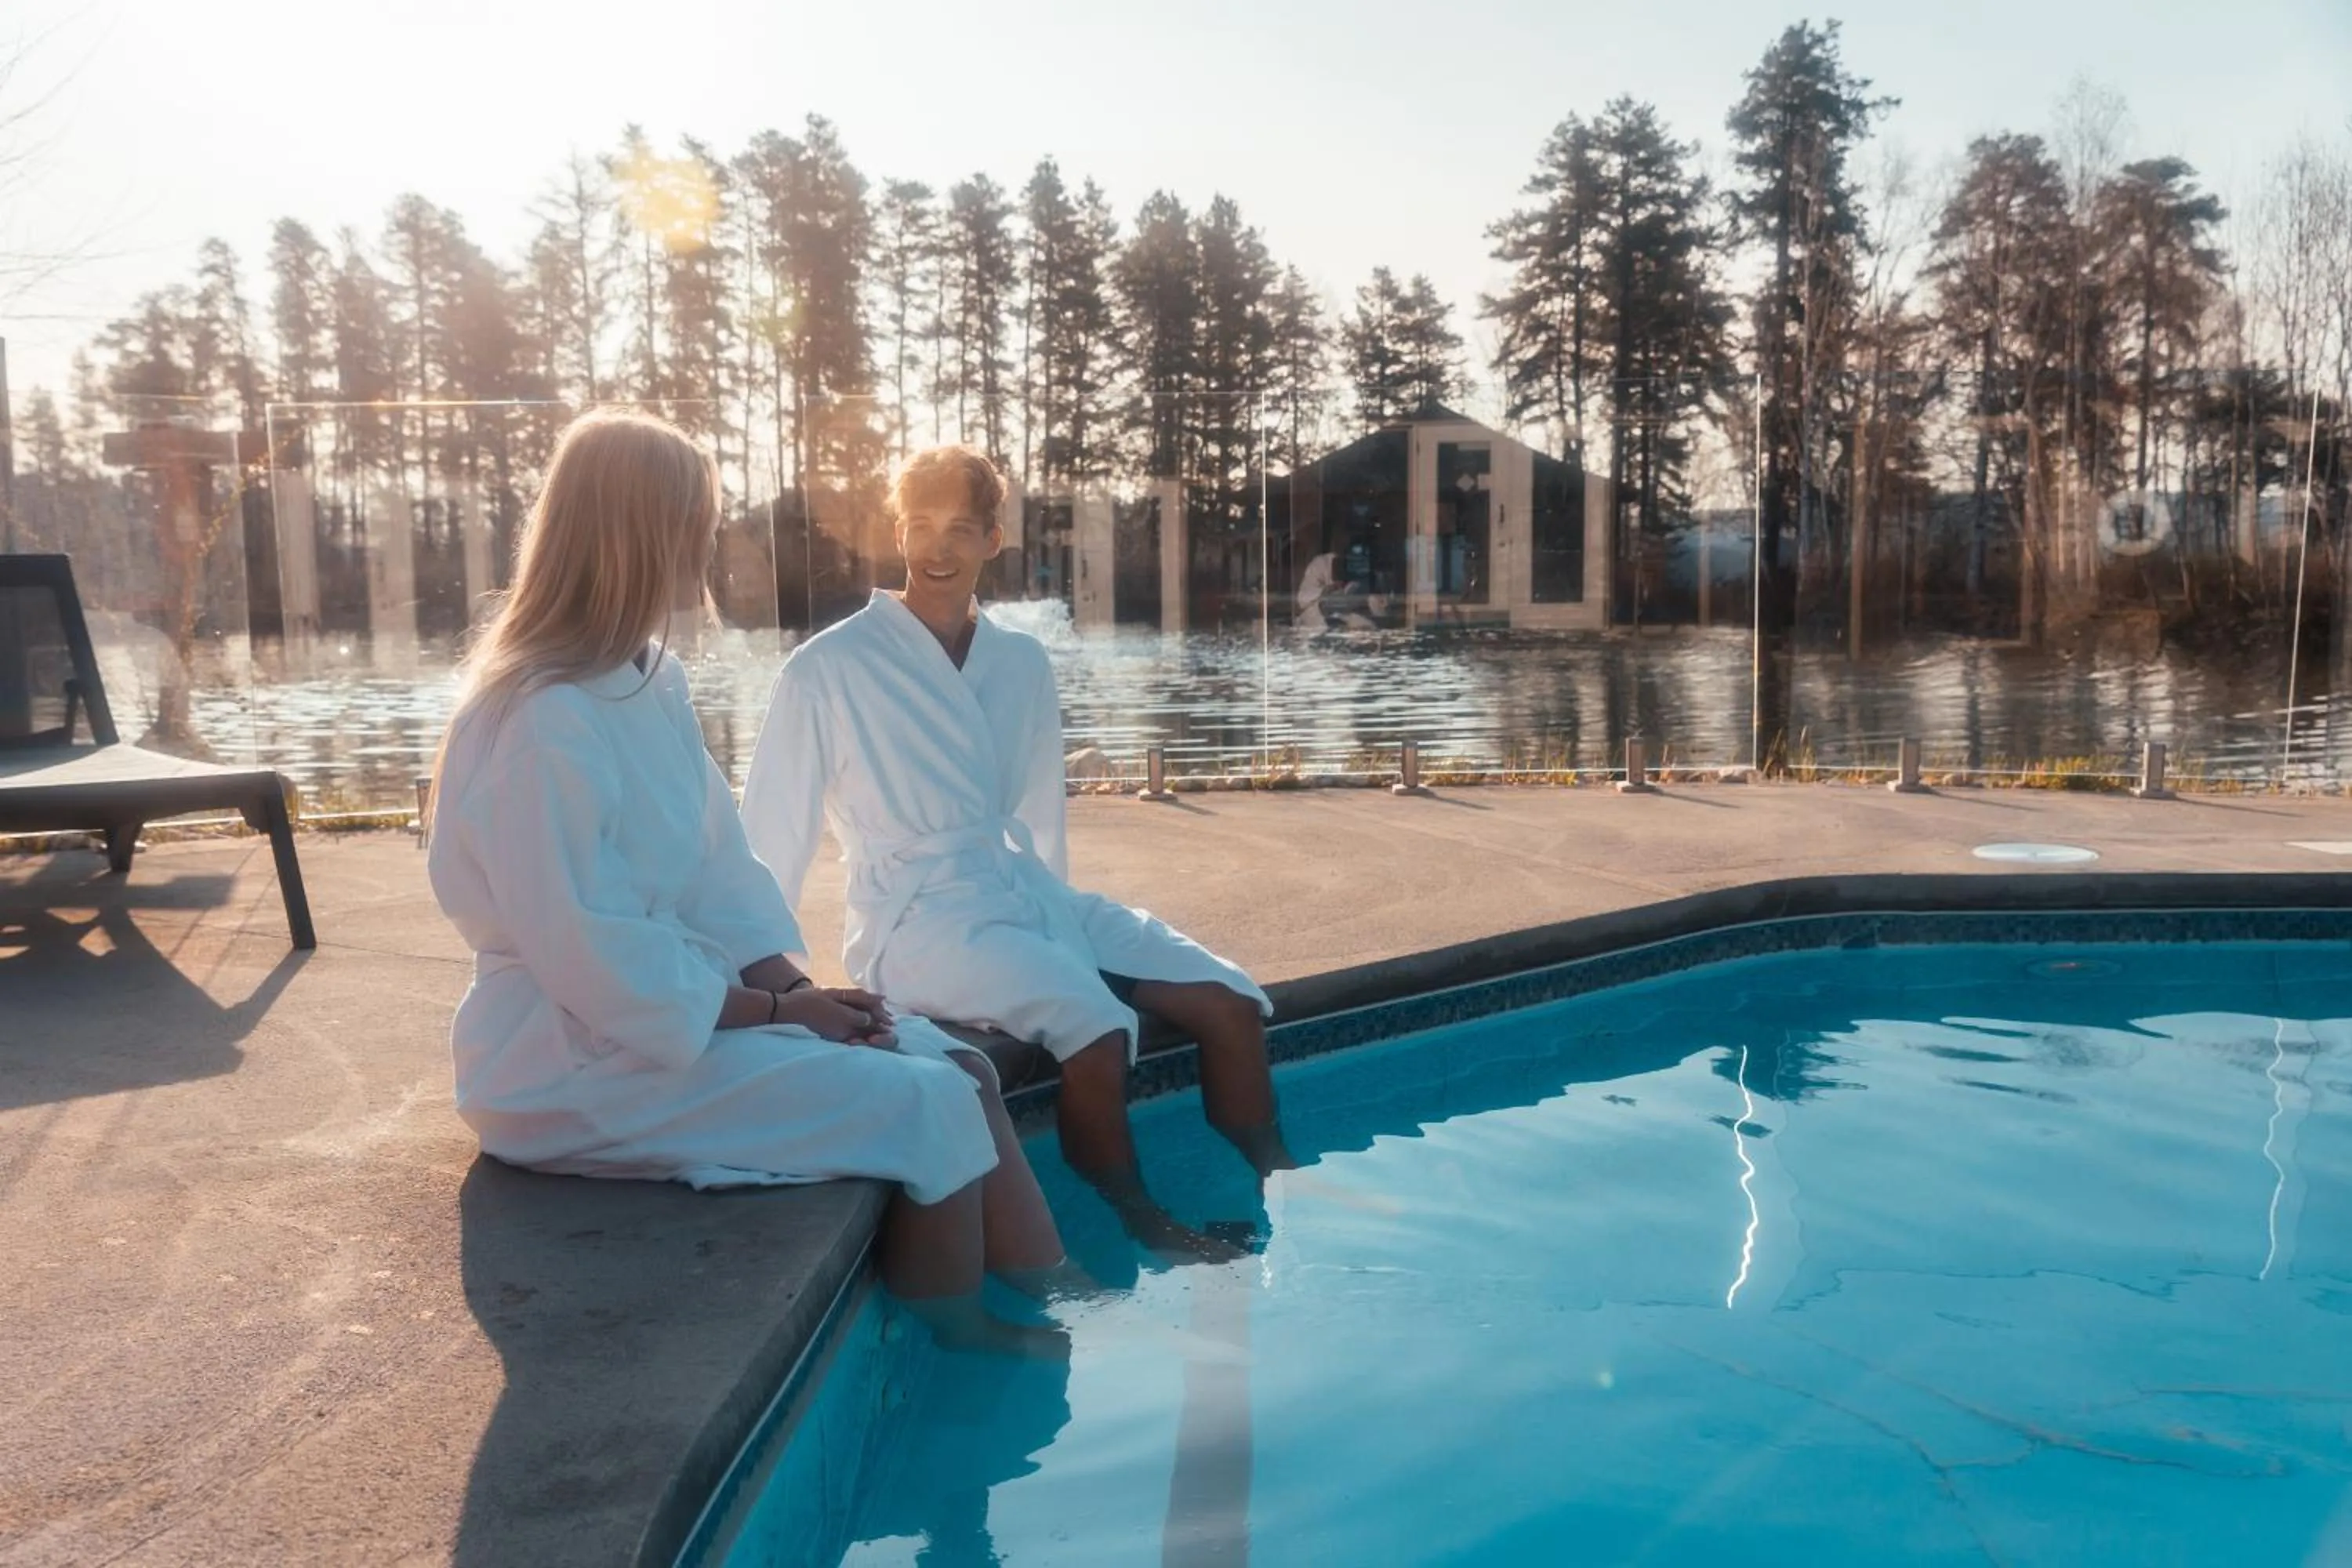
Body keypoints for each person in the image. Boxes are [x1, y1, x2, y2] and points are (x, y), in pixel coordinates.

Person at [425, 411, 1065, 1355]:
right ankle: (961, 1349)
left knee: (959, 1065)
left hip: (680, 1017)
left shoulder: (650, 678)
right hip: (567, 1060)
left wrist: (797, 990)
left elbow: (721, 867)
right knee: (923, 1105)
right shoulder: (539, 718)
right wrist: (772, 1018)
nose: (709, 542)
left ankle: (1063, 1298)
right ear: (638, 532)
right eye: (697, 519)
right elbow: (583, 949)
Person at [742, 445, 1293, 1258]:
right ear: (897, 532)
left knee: (1231, 1004)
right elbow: (770, 830)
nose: (937, 548)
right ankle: (1140, 1222)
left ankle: (1280, 1182)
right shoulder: (829, 666)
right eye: (920, 526)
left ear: (993, 538)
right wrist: (769, 987)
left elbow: (1038, 813)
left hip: (1022, 892)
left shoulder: (1019, 660)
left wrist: (1058, 936)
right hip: (918, 919)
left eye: (959, 529)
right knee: (1098, 1028)